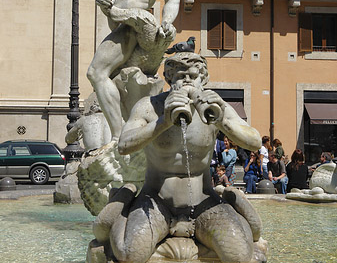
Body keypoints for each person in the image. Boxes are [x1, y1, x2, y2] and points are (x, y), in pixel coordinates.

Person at [93, 52, 265, 263]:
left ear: (203, 79)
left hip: (203, 203)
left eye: (193, 76)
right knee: (130, 254)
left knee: (238, 255)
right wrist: (163, 121)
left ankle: (232, 207)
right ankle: (123, 202)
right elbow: (124, 145)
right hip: (156, 202)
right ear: (169, 79)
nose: (186, 81)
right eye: (180, 76)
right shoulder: (150, 106)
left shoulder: (215, 106)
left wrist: (222, 121)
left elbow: (255, 142)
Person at [87, 0, 180, 139]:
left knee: (97, 73)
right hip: (118, 23)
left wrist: (167, 22)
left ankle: (120, 138)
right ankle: (125, 130)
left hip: (134, 27)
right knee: (109, 77)